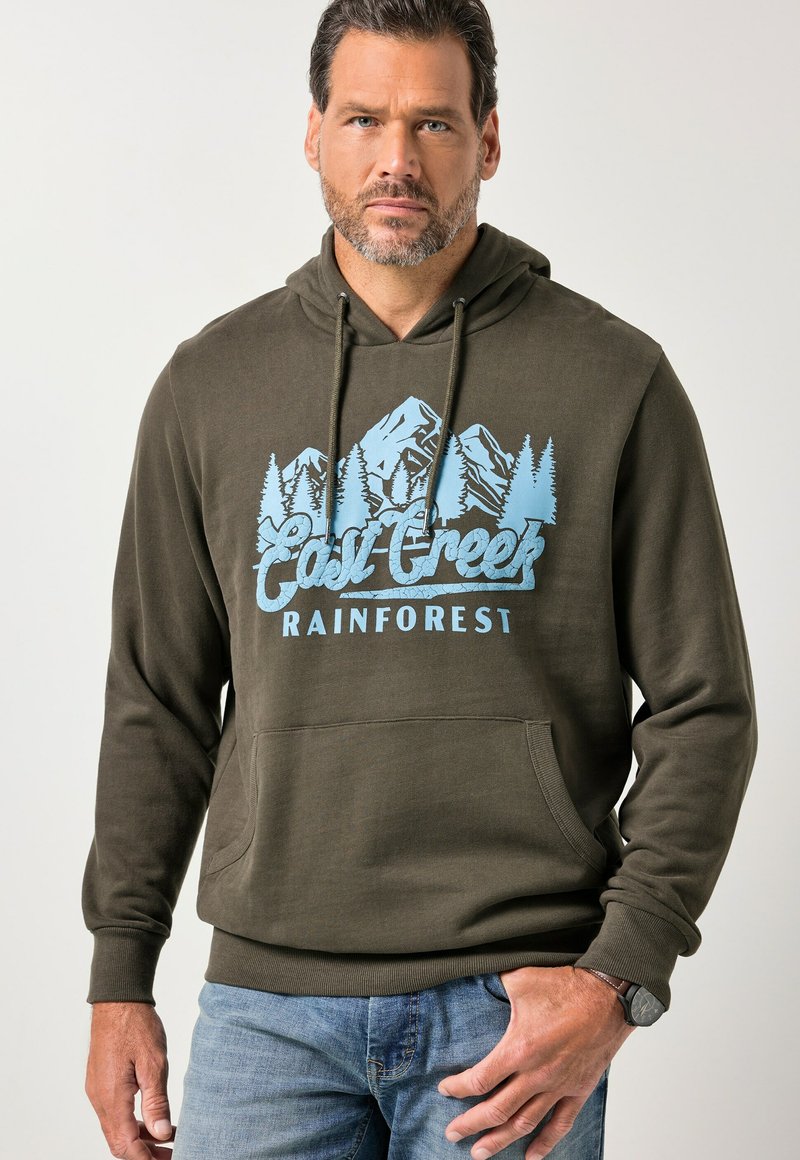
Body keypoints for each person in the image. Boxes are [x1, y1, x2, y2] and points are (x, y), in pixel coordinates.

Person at [82, 2, 758, 1158]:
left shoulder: (611, 380)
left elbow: (704, 706)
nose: (394, 158)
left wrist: (617, 976)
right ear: (312, 132)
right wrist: (117, 974)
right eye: (362, 119)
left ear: (487, 138)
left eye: (432, 123)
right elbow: (158, 703)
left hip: (509, 1010)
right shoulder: (210, 386)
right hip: (264, 1011)